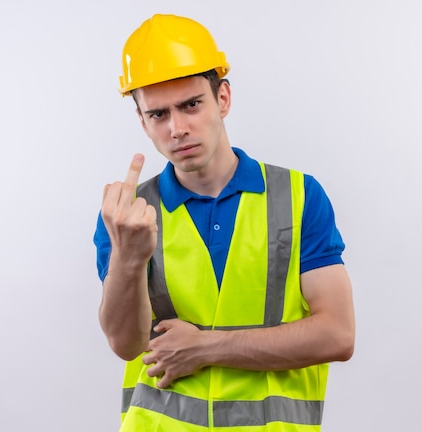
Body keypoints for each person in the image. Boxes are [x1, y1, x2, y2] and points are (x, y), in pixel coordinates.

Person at [93, 13, 355, 431]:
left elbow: (338, 335)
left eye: (191, 104)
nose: (177, 128)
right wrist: (127, 256)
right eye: (158, 115)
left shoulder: (298, 197)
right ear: (142, 122)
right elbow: (125, 345)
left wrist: (206, 347)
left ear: (223, 99)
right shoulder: (127, 213)